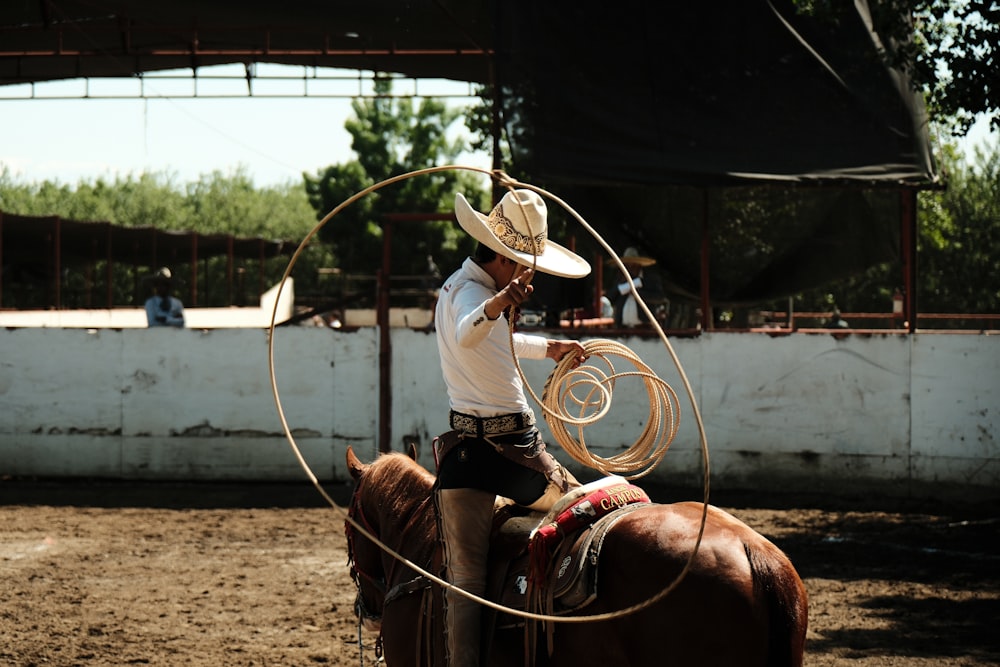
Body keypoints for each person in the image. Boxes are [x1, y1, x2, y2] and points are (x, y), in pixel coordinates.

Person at [434, 189, 590, 667]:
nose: (530, 273)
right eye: (525, 264)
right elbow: (470, 331)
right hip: (517, 458)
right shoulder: (476, 297)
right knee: (593, 516)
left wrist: (550, 348)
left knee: (465, 581)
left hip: (466, 458)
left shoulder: (455, 287)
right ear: (503, 258)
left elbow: (492, 341)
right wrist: (500, 302)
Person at [611, 247, 668, 327]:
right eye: (627, 265)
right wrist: (621, 285)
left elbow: (659, 298)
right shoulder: (620, 280)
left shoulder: (649, 280)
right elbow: (610, 298)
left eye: (633, 264)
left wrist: (638, 294)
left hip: (644, 328)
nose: (630, 268)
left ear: (639, 265)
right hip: (622, 328)